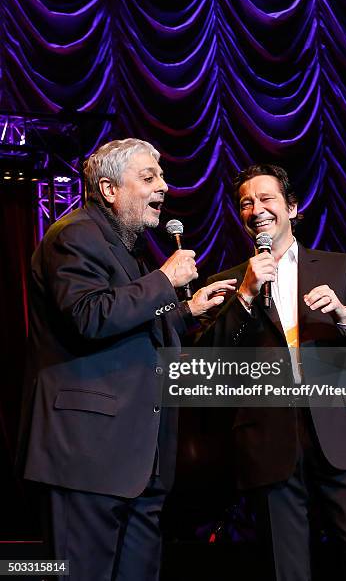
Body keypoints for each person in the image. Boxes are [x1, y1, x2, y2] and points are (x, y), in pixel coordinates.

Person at [17, 138, 235, 581]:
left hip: (138, 462)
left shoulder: (125, 248)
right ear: (109, 188)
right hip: (89, 457)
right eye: (149, 178)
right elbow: (88, 316)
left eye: (163, 177)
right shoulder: (75, 234)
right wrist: (165, 280)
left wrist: (186, 310)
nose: (165, 187)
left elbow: (127, 322)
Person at [199, 164, 346, 580]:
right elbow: (208, 365)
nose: (257, 209)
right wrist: (246, 296)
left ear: (292, 206)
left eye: (266, 199)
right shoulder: (230, 282)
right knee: (285, 569)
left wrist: (345, 318)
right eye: (246, 203)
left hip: (342, 432)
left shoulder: (338, 267)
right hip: (269, 438)